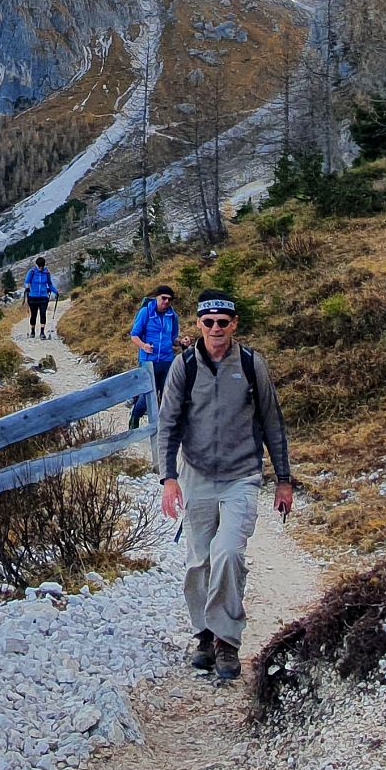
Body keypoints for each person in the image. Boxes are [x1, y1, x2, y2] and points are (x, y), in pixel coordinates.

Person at [154, 294, 293, 685]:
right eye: (209, 322)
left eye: (223, 322)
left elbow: (272, 421)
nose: (216, 329)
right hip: (196, 474)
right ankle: (204, 635)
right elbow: (168, 424)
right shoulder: (185, 366)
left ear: (235, 324)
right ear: (198, 325)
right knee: (199, 561)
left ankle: (227, 640)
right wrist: (169, 477)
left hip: (242, 475)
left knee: (228, 552)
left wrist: (283, 479)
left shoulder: (250, 364)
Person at [125, 285, 179, 429]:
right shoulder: (146, 312)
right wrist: (144, 346)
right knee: (148, 393)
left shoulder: (172, 316)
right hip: (149, 361)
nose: (166, 302)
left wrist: (181, 342)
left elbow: (173, 338)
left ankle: (164, 425)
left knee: (168, 392)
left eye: (169, 299)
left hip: (167, 360)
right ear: (157, 297)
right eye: (164, 298)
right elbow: (134, 335)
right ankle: (135, 417)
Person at [23, 256, 58, 340]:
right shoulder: (32, 272)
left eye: (42, 266)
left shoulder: (46, 273)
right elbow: (26, 282)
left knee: (43, 314)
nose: (40, 268)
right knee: (33, 315)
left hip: (43, 297)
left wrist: (55, 291)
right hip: (33, 296)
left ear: (44, 265)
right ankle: (32, 331)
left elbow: (49, 284)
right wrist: (27, 287)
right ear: (37, 265)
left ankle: (42, 332)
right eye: (39, 266)